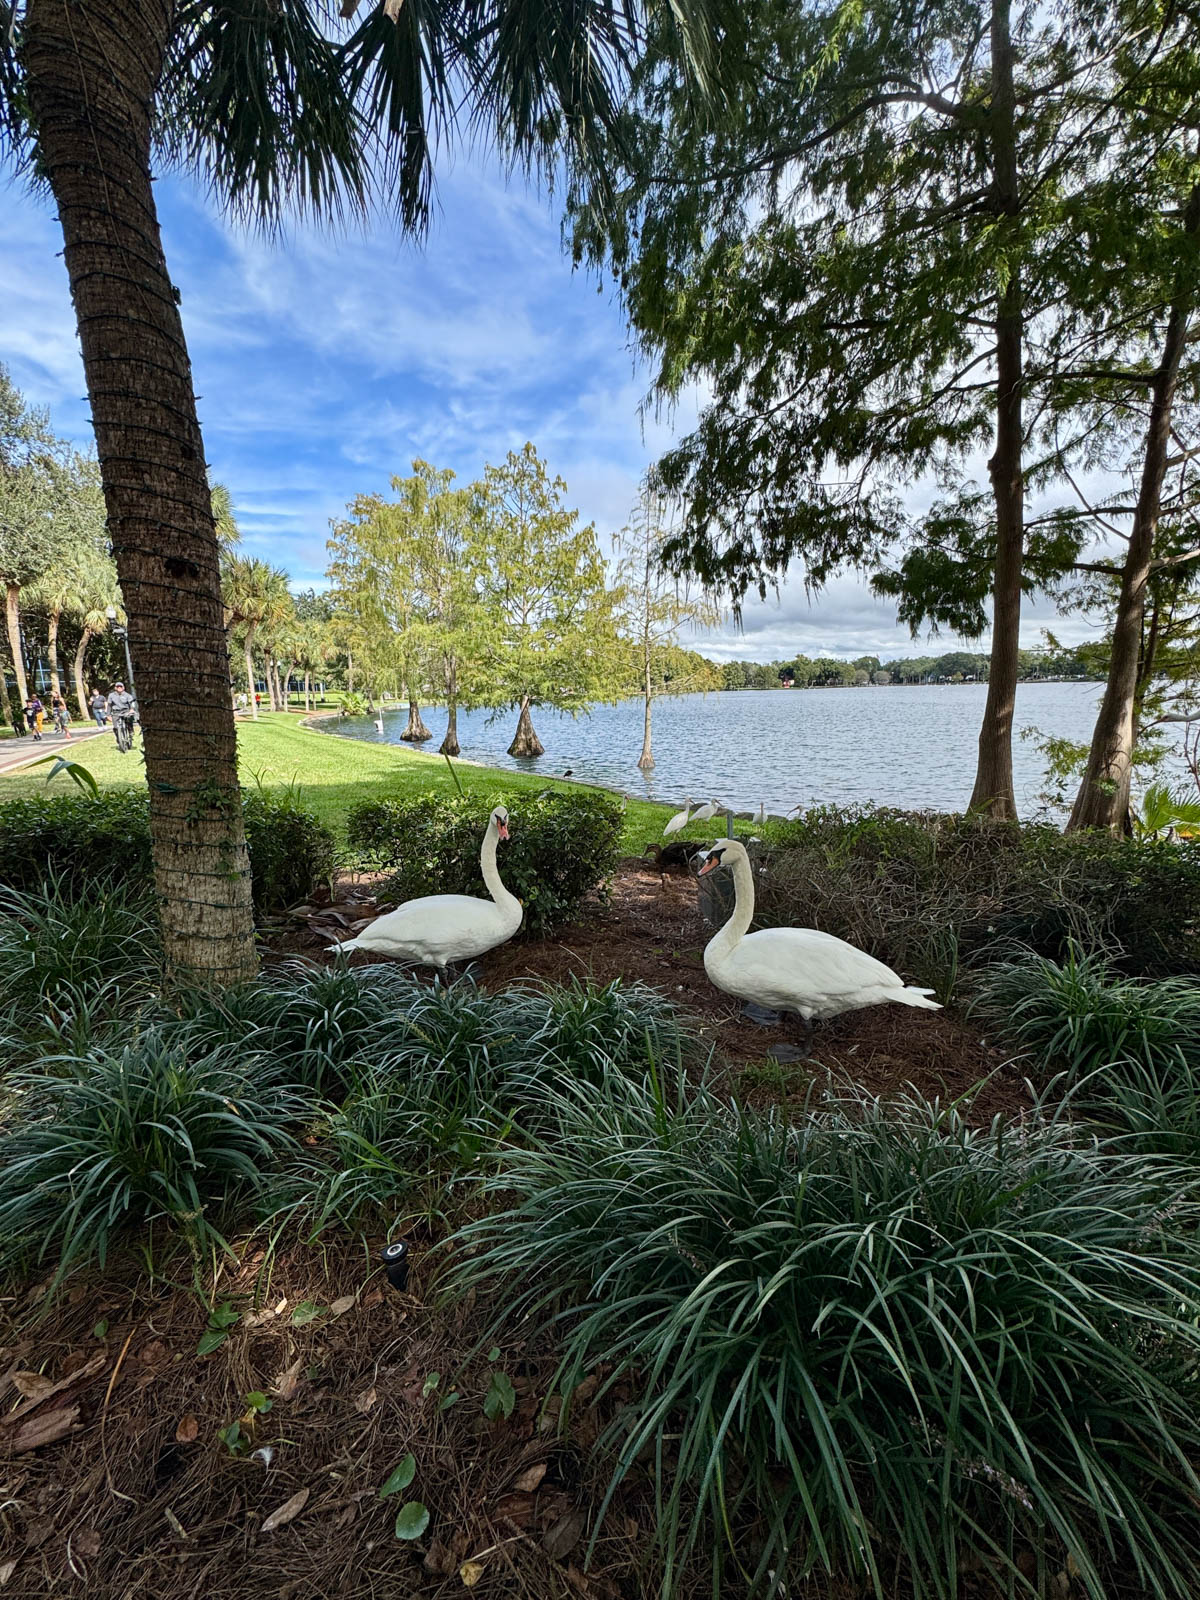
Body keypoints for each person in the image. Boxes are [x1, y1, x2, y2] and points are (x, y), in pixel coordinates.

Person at [106, 681, 137, 752]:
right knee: (116, 727)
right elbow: (109, 705)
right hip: (116, 712)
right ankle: (119, 738)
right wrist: (108, 715)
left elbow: (131, 704)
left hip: (126, 711)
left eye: (121, 687)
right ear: (115, 688)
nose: (119, 688)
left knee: (129, 719)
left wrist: (131, 709)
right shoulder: (111, 695)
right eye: (118, 687)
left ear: (123, 687)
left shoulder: (127, 695)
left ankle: (130, 730)